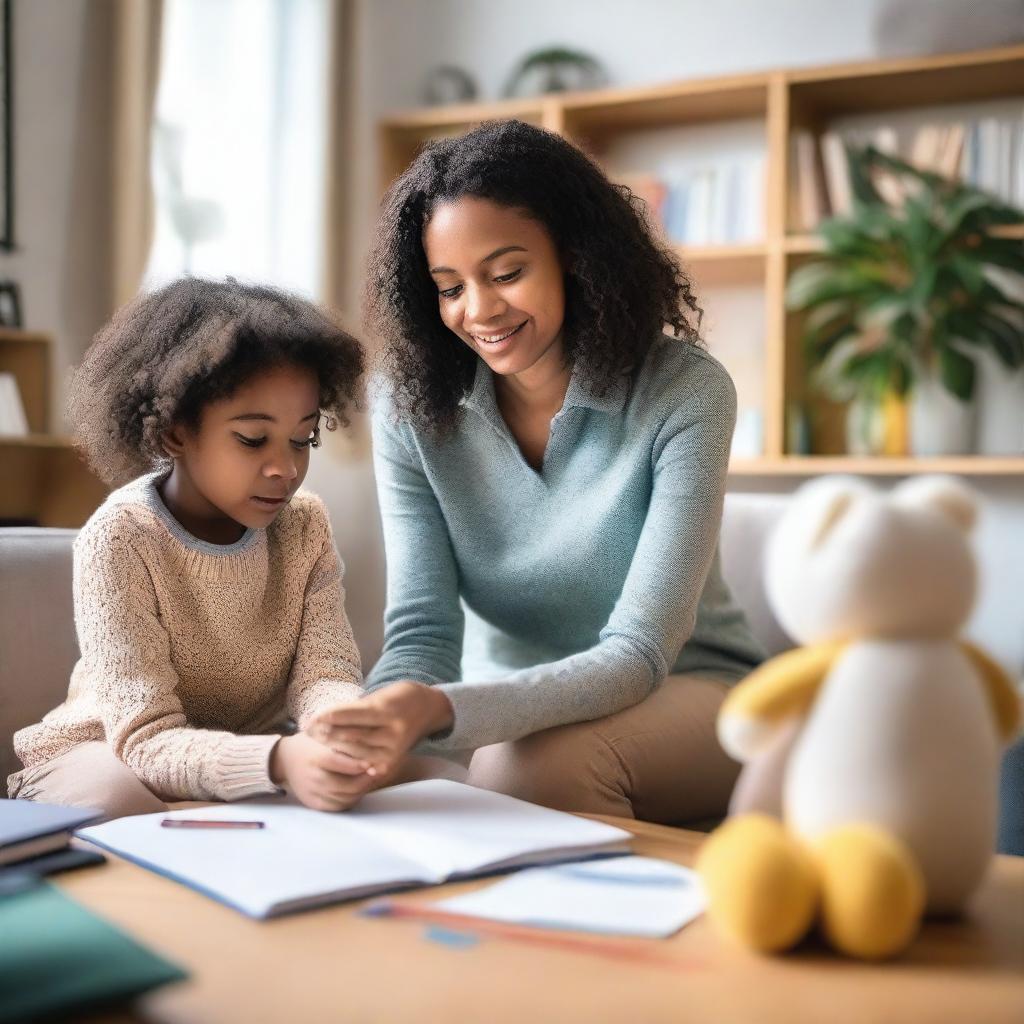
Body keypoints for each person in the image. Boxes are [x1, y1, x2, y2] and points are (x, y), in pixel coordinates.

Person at [310, 119, 765, 823]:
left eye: (507, 273)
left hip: (690, 688)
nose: (479, 310)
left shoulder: (684, 391)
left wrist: (440, 709)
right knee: (346, 780)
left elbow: (638, 652)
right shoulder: (410, 410)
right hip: (502, 706)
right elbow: (423, 635)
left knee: (529, 766)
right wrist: (367, 728)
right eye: (449, 286)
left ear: (575, 257)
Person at [8, 278, 382, 819]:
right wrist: (278, 760)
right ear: (176, 433)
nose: (286, 468)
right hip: (106, 755)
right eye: (254, 439)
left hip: (251, 753)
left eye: (302, 440)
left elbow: (325, 675)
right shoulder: (121, 537)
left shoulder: (305, 527)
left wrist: (340, 730)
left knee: (417, 780)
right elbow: (143, 738)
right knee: (118, 799)